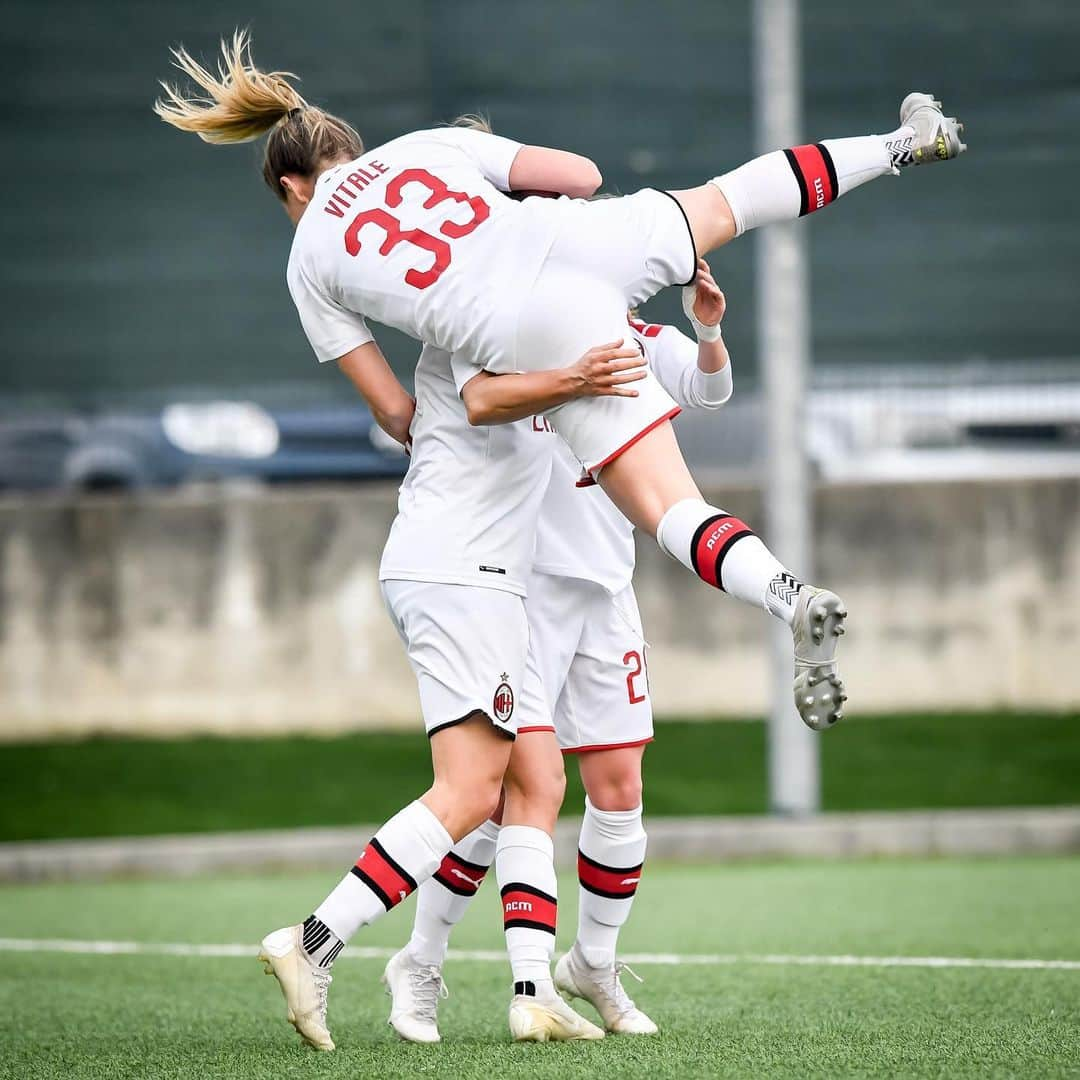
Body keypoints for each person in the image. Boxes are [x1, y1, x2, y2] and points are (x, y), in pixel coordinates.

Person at [155, 30, 965, 1048]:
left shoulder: (313, 259)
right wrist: (534, 255)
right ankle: (897, 148)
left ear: (288, 188)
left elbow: (405, 413)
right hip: (540, 388)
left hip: (514, 413)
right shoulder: (431, 146)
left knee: (532, 746)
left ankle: (438, 962)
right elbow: (574, 175)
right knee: (724, 209)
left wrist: (471, 340)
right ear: (354, 146)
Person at [384, 260, 734, 1043]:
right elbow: (457, 410)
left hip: (607, 589)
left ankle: (593, 965)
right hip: (521, 589)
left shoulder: (640, 338)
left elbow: (710, 391)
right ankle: (423, 959)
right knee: (504, 795)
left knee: (618, 788)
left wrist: (707, 327)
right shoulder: (507, 339)